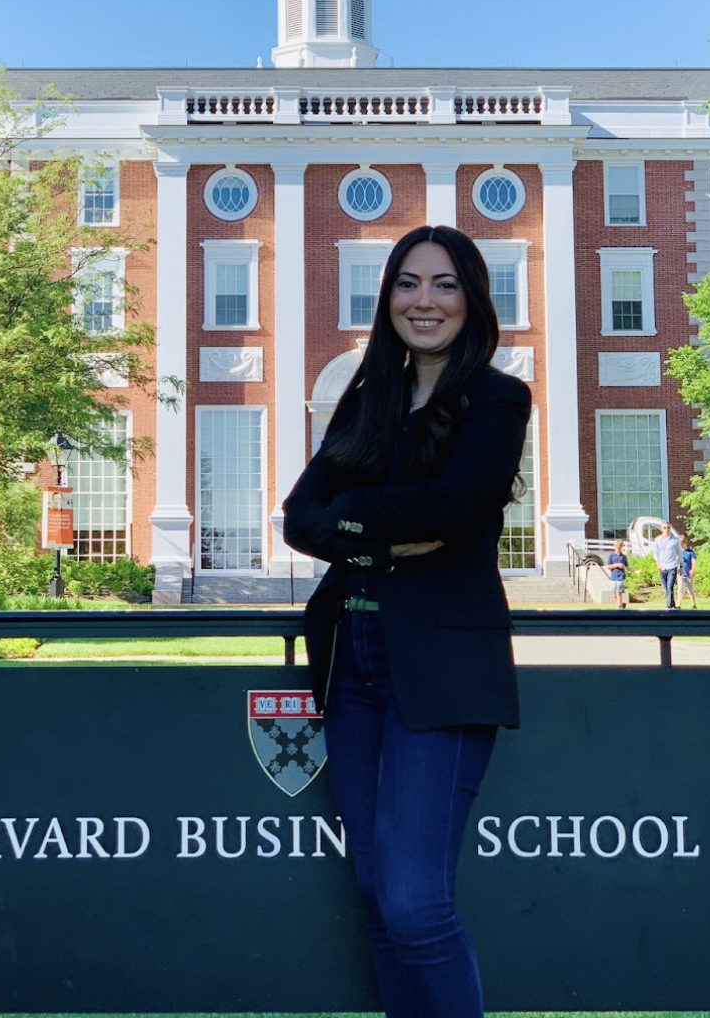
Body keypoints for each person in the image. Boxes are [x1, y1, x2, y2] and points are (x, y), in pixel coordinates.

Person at [282, 224, 531, 1018]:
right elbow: (298, 517)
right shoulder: (367, 397)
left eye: (445, 284)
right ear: (386, 295)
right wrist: (384, 536)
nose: (425, 301)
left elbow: (454, 508)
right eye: (408, 283)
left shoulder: (497, 397)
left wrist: (351, 521)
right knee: (379, 898)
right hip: (349, 665)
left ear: (473, 299)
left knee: (417, 906)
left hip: (441, 664)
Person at [653, 522, 681, 609]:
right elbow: (655, 553)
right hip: (662, 566)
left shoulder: (675, 540)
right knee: (666, 588)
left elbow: (679, 554)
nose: (667, 530)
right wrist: (657, 563)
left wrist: (681, 566)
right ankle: (672, 605)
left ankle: (668, 606)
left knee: (670, 587)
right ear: (661, 529)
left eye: (668, 528)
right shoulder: (657, 540)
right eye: (664, 528)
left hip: (672, 566)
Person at [606, 539, 629, 609]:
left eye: (620, 547)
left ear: (622, 547)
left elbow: (627, 566)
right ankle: (621, 605)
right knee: (615, 594)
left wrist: (635, 571)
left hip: (621, 577)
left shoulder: (623, 557)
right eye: (617, 547)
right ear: (614, 547)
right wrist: (617, 565)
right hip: (613, 577)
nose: (618, 549)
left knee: (619, 593)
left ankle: (618, 608)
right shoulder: (611, 556)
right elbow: (608, 566)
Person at [679, 536, 697, 609]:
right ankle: (678, 604)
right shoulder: (679, 552)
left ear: (685, 543)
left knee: (690, 590)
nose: (681, 546)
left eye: (682, 544)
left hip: (689, 574)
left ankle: (693, 604)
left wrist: (692, 570)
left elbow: (693, 562)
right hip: (681, 574)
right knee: (680, 589)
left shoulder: (690, 552)